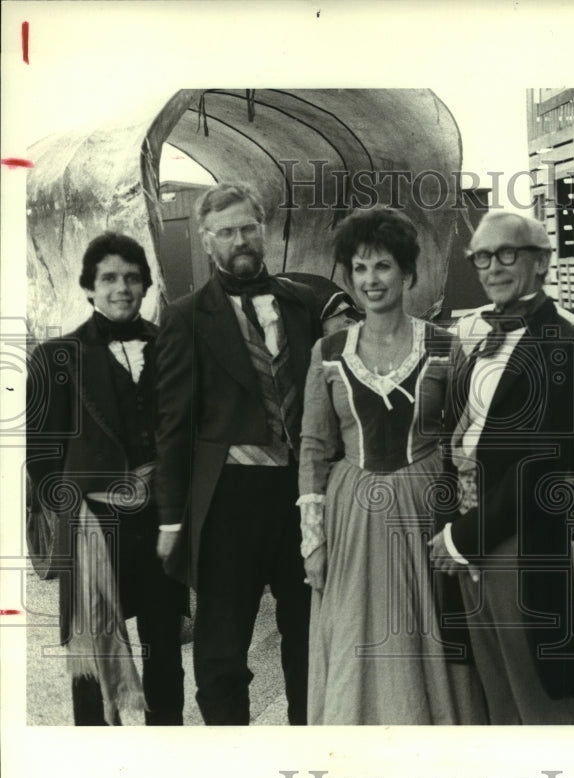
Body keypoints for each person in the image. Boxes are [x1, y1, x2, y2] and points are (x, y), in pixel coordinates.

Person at [298, 207, 486, 724]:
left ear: (407, 274)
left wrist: (465, 531)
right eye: (359, 268)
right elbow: (314, 447)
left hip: (426, 507)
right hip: (352, 512)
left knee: (428, 629)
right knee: (356, 628)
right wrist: (313, 541)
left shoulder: (446, 348)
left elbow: (466, 444)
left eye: (382, 266)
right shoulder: (328, 351)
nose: (370, 280)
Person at [155, 182, 320, 725]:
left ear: (263, 230)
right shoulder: (183, 317)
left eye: (248, 227)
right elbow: (173, 426)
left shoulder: (302, 304)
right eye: (226, 232)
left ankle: (309, 752)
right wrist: (172, 518)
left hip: (301, 498)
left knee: (309, 641)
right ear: (207, 242)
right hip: (227, 504)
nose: (240, 240)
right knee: (222, 653)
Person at [428, 210, 574, 724]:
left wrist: (463, 538)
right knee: (495, 692)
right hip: (469, 527)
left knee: (541, 696)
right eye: (482, 256)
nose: (493, 268)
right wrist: (450, 524)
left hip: (518, 541)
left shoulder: (565, 344)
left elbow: (541, 466)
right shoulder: (478, 337)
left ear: (542, 261)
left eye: (507, 253)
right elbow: (457, 435)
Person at [26, 232, 187, 725]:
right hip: (95, 526)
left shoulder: (173, 347)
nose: (123, 288)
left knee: (165, 647)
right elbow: (40, 456)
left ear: (146, 286)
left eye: (133, 278)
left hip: (161, 523)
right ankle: (96, 761)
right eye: (110, 278)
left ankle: (169, 750)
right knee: (91, 655)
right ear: (89, 287)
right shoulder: (57, 357)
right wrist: (79, 506)